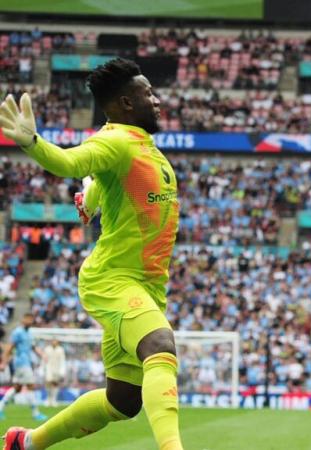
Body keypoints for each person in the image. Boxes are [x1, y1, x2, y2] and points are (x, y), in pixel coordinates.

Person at [0, 58, 183, 450]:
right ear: (124, 103)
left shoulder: (137, 148)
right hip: (114, 280)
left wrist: (90, 199)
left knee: (123, 401)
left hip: (147, 287)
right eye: (147, 93)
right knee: (160, 345)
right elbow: (71, 162)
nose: (157, 100)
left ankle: (26, 442)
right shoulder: (115, 140)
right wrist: (34, 142)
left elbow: (98, 181)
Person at [0, 314, 47, 422]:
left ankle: (0, 408)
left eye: (31, 319)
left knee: (17, 388)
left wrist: (43, 355)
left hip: (25, 362)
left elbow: (33, 347)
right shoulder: (18, 332)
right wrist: (3, 363)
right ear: (23, 320)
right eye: (28, 319)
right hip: (21, 363)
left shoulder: (29, 333)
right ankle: (36, 414)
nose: (30, 321)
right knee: (31, 385)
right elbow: (9, 348)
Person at [41, 340, 66, 408]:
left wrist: (62, 371)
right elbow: (44, 359)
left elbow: (62, 360)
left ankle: (54, 399)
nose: (54, 342)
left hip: (57, 368)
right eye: (53, 340)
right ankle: (48, 399)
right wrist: (42, 368)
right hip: (49, 368)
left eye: (55, 341)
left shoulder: (61, 349)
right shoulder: (47, 349)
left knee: (55, 384)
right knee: (48, 383)